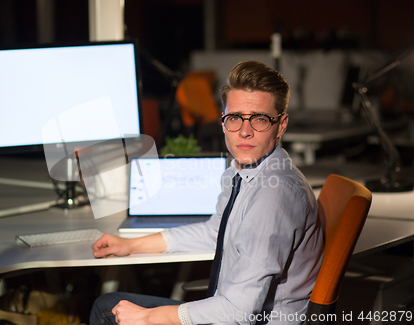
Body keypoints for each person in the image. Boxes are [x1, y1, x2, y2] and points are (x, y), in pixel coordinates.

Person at [90, 61, 324, 325]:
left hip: (245, 319)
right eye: (235, 118)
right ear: (223, 121)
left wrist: (149, 318)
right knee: (109, 304)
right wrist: (132, 245)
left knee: (106, 309)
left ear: (281, 125)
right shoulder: (242, 171)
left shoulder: (274, 195)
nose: (244, 132)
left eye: (259, 119)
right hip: (231, 308)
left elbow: (238, 311)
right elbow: (214, 232)